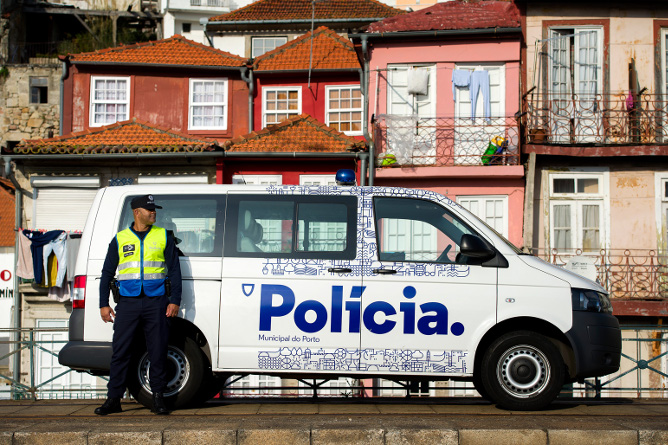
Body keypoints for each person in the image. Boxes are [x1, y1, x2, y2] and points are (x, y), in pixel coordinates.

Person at [94, 194, 182, 416]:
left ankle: (159, 399)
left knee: (158, 351)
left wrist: (175, 301)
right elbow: (106, 273)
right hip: (128, 303)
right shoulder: (120, 239)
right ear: (137, 212)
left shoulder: (163, 236)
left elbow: (174, 271)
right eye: (149, 209)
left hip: (157, 302)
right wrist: (103, 304)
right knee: (121, 352)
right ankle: (113, 399)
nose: (154, 212)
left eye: (154, 210)